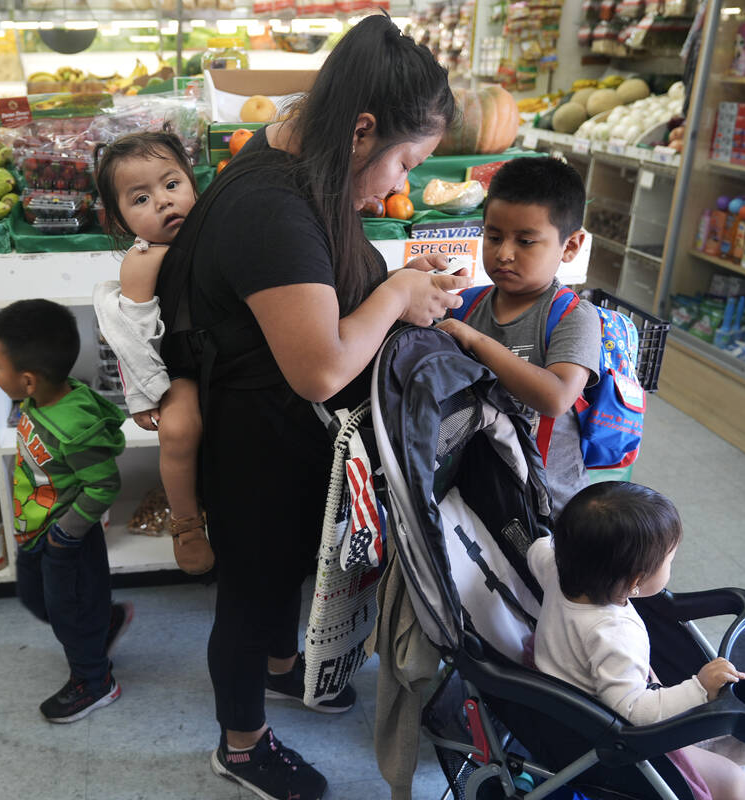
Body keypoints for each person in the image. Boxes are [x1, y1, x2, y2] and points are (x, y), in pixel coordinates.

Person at [157, 15, 468, 800]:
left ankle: (285, 668)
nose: (398, 182)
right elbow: (322, 370)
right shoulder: (272, 208)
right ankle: (241, 742)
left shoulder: (299, 151)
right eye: (404, 159)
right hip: (258, 436)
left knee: (283, 572)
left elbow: (314, 287)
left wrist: (389, 278)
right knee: (253, 589)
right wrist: (397, 291)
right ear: (362, 128)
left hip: (284, 432)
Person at [528, 481, 745, 800]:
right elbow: (634, 710)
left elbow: (537, 548)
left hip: (565, 700)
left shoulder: (557, 568)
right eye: (669, 560)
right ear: (636, 582)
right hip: (612, 737)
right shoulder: (613, 631)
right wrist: (700, 688)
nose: (671, 565)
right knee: (732, 781)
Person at [0, 299, 133, 724]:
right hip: (35, 531)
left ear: (28, 380)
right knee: (37, 601)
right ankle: (101, 622)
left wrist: (65, 536)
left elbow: (103, 484)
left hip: (65, 541)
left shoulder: (74, 425)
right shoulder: (43, 401)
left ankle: (94, 682)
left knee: (67, 615)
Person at [436, 156, 601, 515]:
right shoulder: (467, 305)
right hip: (476, 489)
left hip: (547, 501)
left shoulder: (573, 317)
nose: (504, 253)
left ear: (570, 246)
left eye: (525, 241)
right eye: (493, 237)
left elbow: (556, 397)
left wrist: (478, 342)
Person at [92, 131, 214, 575]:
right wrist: (142, 396)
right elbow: (131, 337)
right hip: (182, 362)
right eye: (141, 198)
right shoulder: (142, 262)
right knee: (179, 429)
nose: (163, 202)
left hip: (232, 354)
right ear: (120, 221)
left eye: (171, 185)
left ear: (194, 186)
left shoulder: (219, 231)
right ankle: (186, 523)